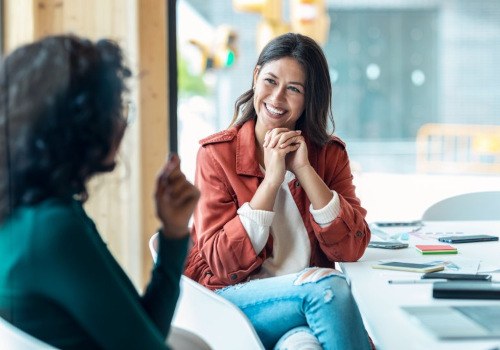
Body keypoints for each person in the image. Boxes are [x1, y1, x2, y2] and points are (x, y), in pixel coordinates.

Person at [0, 34, 200, 349]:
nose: (122, 122)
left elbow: (144, 330)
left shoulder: (30, 214)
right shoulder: (52, 230)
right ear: (82, 124)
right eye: (117, 107)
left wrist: (174, 233)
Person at [184, 32, 373, 349]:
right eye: (270, 81)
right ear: (256, 77)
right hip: (236, 302)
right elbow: (221, 262)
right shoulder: (216, 155)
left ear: (309, 98)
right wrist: (271, 181)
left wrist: (304, 170)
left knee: (302, 345)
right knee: (330, 289)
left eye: (294, 89)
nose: (277, 97)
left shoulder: (329, 155)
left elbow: (351, 249)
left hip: (301, 309)